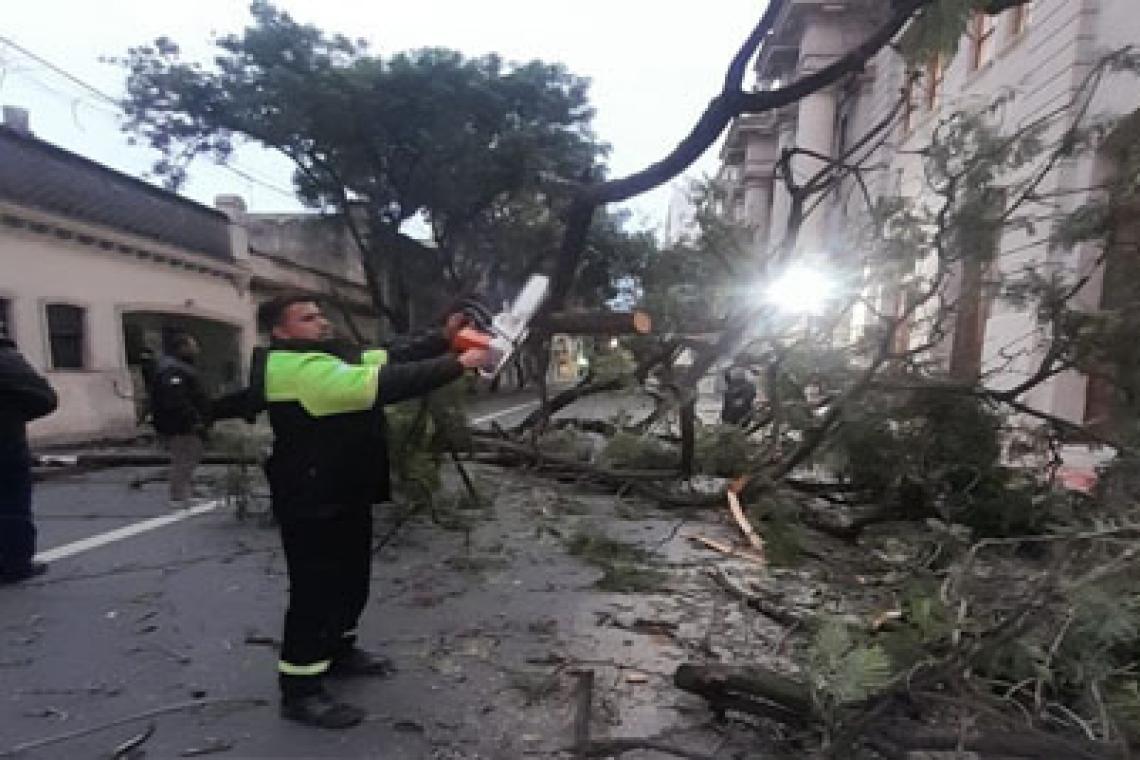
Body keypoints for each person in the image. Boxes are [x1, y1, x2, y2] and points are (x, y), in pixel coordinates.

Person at [248, 293, 486, 729]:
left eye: (321, 314)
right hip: (311, 497)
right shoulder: (294, 368)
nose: (322, 322)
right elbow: (380, 384)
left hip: (344, 490)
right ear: (280, 331)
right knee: (315, 594)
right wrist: (459, 364)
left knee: (351, 579)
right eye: (308, 318)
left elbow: (390, 355)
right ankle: (300, 691)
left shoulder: (328, 356)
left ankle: (339, 650)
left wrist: (443, 338)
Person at [0, 336, 58, 584]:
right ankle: (15, 565)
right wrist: (15, 414)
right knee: (12, 503)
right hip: (5, 442)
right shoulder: (6, 359)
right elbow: (45, 398)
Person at [150, 332, 211, 506]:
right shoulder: (173, 370)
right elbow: (176, 399)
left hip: (186, 421)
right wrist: (192, 418)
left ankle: (188, 490)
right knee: (184, 457)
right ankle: (178, 495)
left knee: (191, 455)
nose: (196, 350)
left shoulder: (181, 367)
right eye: (193, 346)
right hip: (180, 423)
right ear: (182, 348)